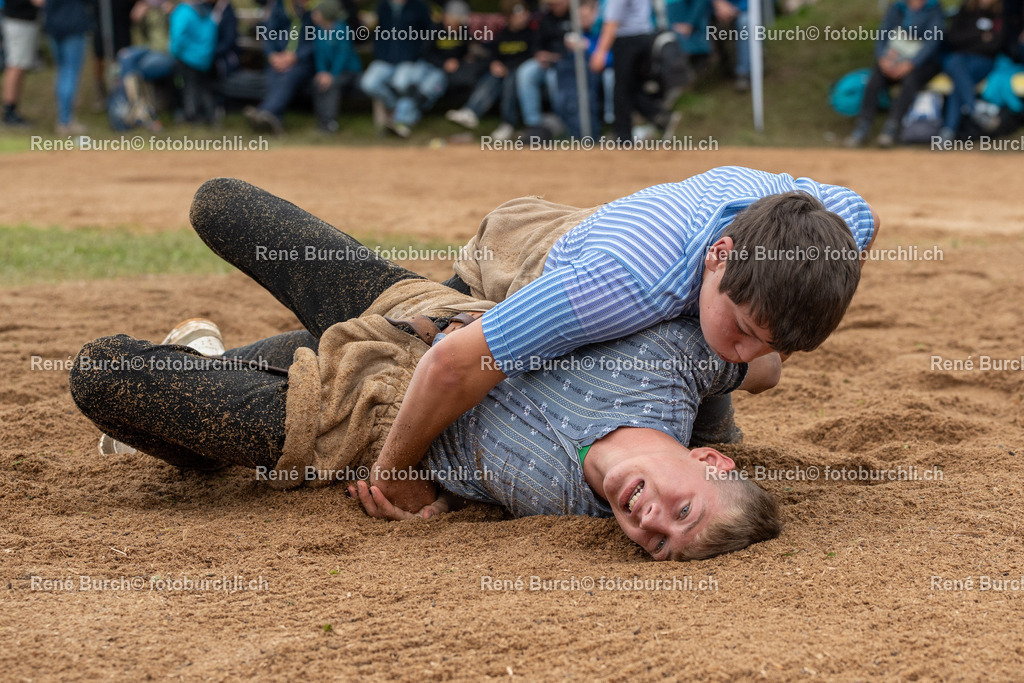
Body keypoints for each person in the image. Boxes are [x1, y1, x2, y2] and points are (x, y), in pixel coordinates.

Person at [69, 187, 782, 560]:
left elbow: (430, 501)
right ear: (708, 459)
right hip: (417, 310)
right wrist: (738, 382)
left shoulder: (564, 513)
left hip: (350, 412)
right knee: (219, 203)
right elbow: (753, 350)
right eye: (680, 511)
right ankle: (208, 363)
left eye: (656, 542)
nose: (648, 520)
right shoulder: (673, 368)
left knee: (104, 376)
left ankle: (200, 372)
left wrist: (404, 487)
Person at [175, 168, 879, 515]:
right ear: (719, 256)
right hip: (528, 251)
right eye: (746, 330)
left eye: (768, 343)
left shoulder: (841, 224)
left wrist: (757, 359)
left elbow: (759, 333)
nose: (748, 348)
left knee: (717, 359)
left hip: (633, 254)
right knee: (428, 331)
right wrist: (399, 476)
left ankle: (215, 356)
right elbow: (456, 361)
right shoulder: (623, 284)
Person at [845, 0, 946, 148]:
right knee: (874, 79)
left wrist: (911, 64)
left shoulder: (934, 8)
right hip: (893, 59)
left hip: (922, 64)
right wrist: (882, 59)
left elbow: (932, 42)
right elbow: (883, 34)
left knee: (910, 81)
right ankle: (862, 125)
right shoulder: (897, 7)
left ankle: (892, 127)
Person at [446, 0, 537, 141]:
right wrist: (495, 63)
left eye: (524, 14)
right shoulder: (503, 34)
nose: (522, 18)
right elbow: (493, 54)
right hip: (503, 71)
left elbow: (532, 55)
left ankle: (508, 123)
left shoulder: (531, 34)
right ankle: (471, 111)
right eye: (518, 15)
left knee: (511, 80)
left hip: (518, 71)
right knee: (492, 77)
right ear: (509, 17)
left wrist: (509, 67)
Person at [590, 0, 671, 141]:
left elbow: (611, 22)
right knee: (631, 86)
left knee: (621, 89)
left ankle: (622, 136)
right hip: (644, 37)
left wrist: (600, 52)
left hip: (628, 41)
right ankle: (659, 116)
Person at [358, 0, 432, 136]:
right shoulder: (382, 6)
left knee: (402, 83)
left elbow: (429, 34)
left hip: (409, 59)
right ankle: (394, 107)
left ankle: (401, 121)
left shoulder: (420, 7)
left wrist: (418, 54)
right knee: (367, 83)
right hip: (384, 60)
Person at [244, 0, 315, 135]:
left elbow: (319, 39)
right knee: (273, 77)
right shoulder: (280, 5)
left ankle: (265, 112)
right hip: (278, 59)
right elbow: (270, 32)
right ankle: (273, 118)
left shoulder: (315, 9)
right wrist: (272, 55)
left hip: (302, 62)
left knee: (288, 77)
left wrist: (296, 56)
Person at [939, 0, 1004, 141]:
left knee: (959, 80)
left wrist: (970, 37)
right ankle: (974, 108)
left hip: (982, 61)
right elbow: (953, 38)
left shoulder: (1000, 14)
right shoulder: (964, 11)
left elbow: (995, 45)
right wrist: (980, 36)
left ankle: (948, 131)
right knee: (956, 64)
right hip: (959, 59)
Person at [516, 0, 571, 134]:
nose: (554, 5)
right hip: (545, 62)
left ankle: (564, 123)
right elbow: (536, 43)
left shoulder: (575, 17)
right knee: (525, 72)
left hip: (566, 62)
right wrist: (539, 54)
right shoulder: (546, 18)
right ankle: (533, 124)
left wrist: (558, 57)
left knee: (554, 79)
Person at [310, 0, 361, 134]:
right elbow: (319, 54)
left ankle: (331, 123)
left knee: (332, 85)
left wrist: (332, 75)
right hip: (329, 72)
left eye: (317, 13)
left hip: (348, 71)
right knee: (317, 82)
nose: (313, 15)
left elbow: (342, 56)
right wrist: (321, 72)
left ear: (326, 14)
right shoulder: (319, 30)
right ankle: (322, 121)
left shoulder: (342, 29)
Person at [43, 0, 92, 135]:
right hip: (73, 25)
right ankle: (65, 120)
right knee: (70, 72)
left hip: (54, 25)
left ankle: (63, 117)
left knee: (62, 72)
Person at [2, 0, 42, 126]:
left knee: (18, 65)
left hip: (19, 20)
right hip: (20, 22)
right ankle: (9, 112)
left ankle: (12, 109)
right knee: (16, 66)